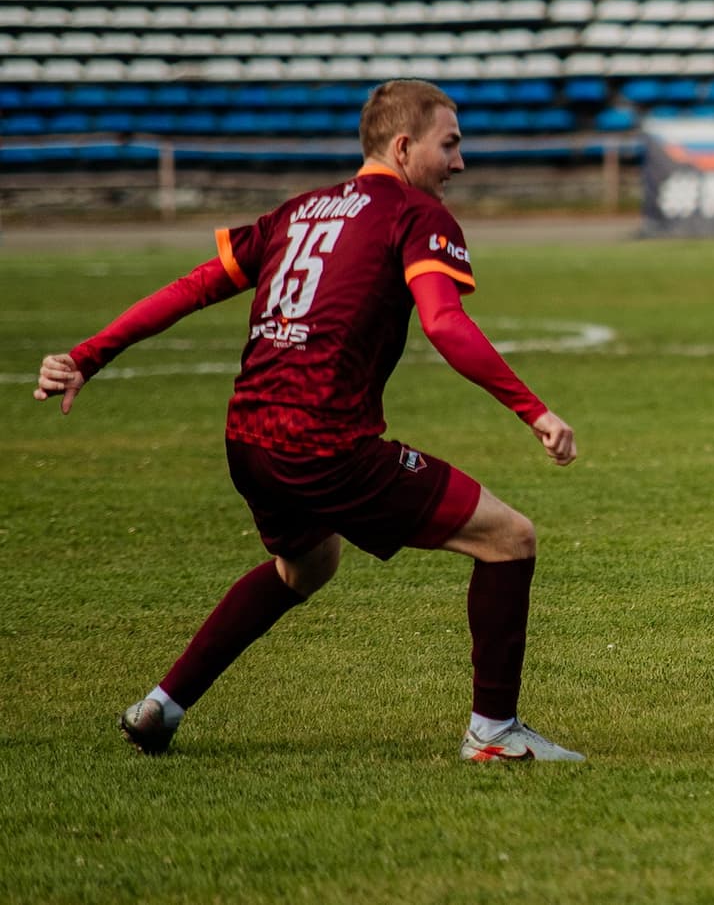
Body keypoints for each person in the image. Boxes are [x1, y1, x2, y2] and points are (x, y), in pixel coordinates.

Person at [33, 80, 585, 763]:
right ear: (404, 146)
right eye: (450, 144)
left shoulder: (299, 211)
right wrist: (535, 410)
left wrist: (88, 356)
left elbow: (193, 286)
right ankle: (494, 733)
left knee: (306, 565)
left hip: (248, 437)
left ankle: (161, 706)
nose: (460, 162)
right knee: (509, 538)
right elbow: (444, 322)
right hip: (325, 444)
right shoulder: (414, 213)